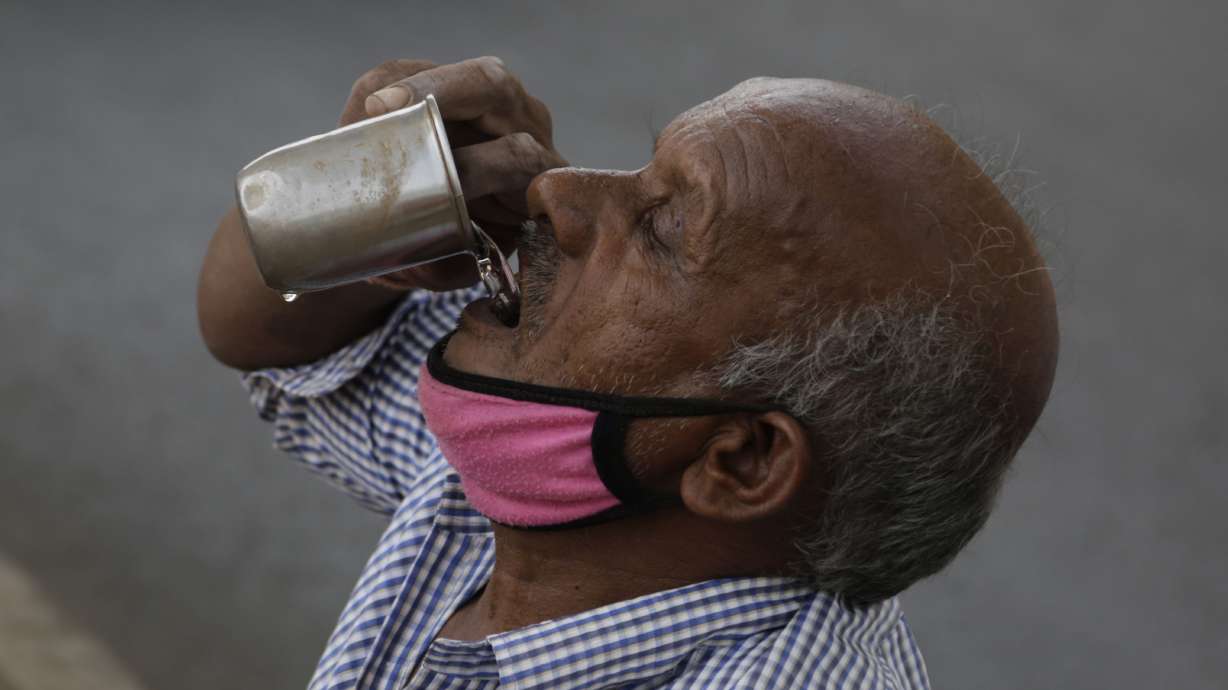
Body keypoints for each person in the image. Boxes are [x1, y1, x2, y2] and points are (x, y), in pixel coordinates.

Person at [197, 56, 1058, 689]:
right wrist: (358, 199)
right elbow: (271, 340)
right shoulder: (546, 477)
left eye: (660, 228)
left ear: (743, 461)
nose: (556, 192)